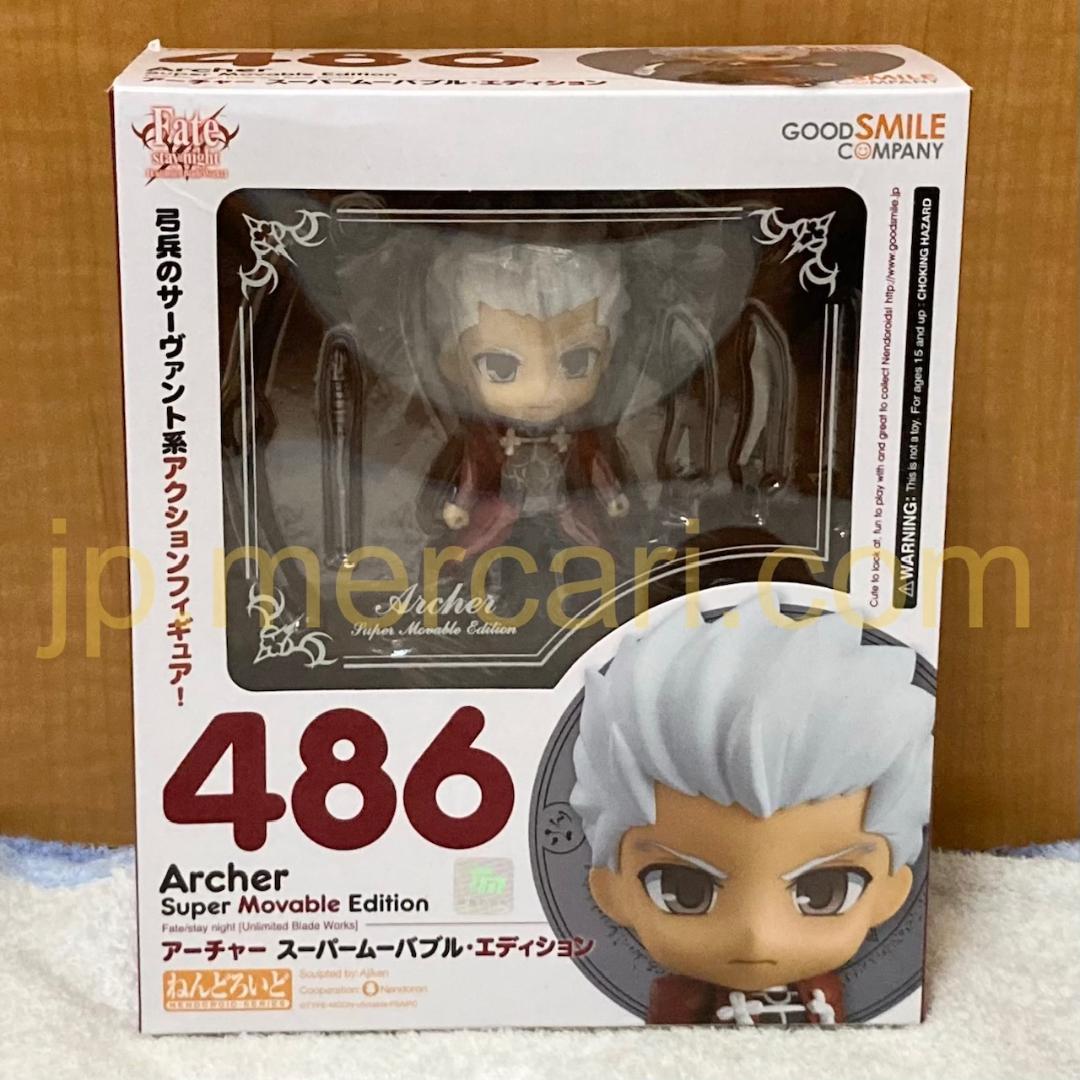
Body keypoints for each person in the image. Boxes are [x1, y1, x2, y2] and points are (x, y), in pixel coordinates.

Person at [570, 595, 934, 1025]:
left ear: (893, 891)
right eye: (683, 891)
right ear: (610, 889)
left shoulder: (823, 992)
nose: (757, 936)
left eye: (825, 893)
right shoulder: (680, 1000)